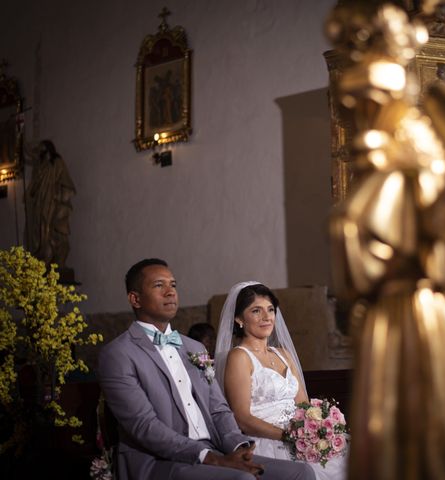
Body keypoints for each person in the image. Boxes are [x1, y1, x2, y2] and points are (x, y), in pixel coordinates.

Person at [98, 259, 314, 480]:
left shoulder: (194, 348)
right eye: (158, 286)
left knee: (301, 472)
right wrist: (210, 457)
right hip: (160, 461)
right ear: (135, 299)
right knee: (242, 479)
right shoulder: (118, 354)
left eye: (173, 285)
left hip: (216, 448)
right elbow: (144, 426)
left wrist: (238, 447)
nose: (170, 292)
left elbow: (218, 408)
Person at [215, 282, 347, 480]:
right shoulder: (239, 357)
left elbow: (303, 404)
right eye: (256, 311)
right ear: (239, 319)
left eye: (270, 310)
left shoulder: (283, 354)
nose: (266, 317)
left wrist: (318, 429)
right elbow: (242, 418)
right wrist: (289, 436)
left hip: (301, 438)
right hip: (267, 442)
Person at [25, 140, 75, 270]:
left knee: (53, 232)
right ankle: (42, 259)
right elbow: (34, 187)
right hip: (41, 205)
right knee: (40, 232)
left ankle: (55, 261)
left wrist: (60, 197)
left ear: (48, 149)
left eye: (42, 149)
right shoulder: (40, 167)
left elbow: (66, 183)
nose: (41, 152)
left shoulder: (57, 163)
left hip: (52, 204)